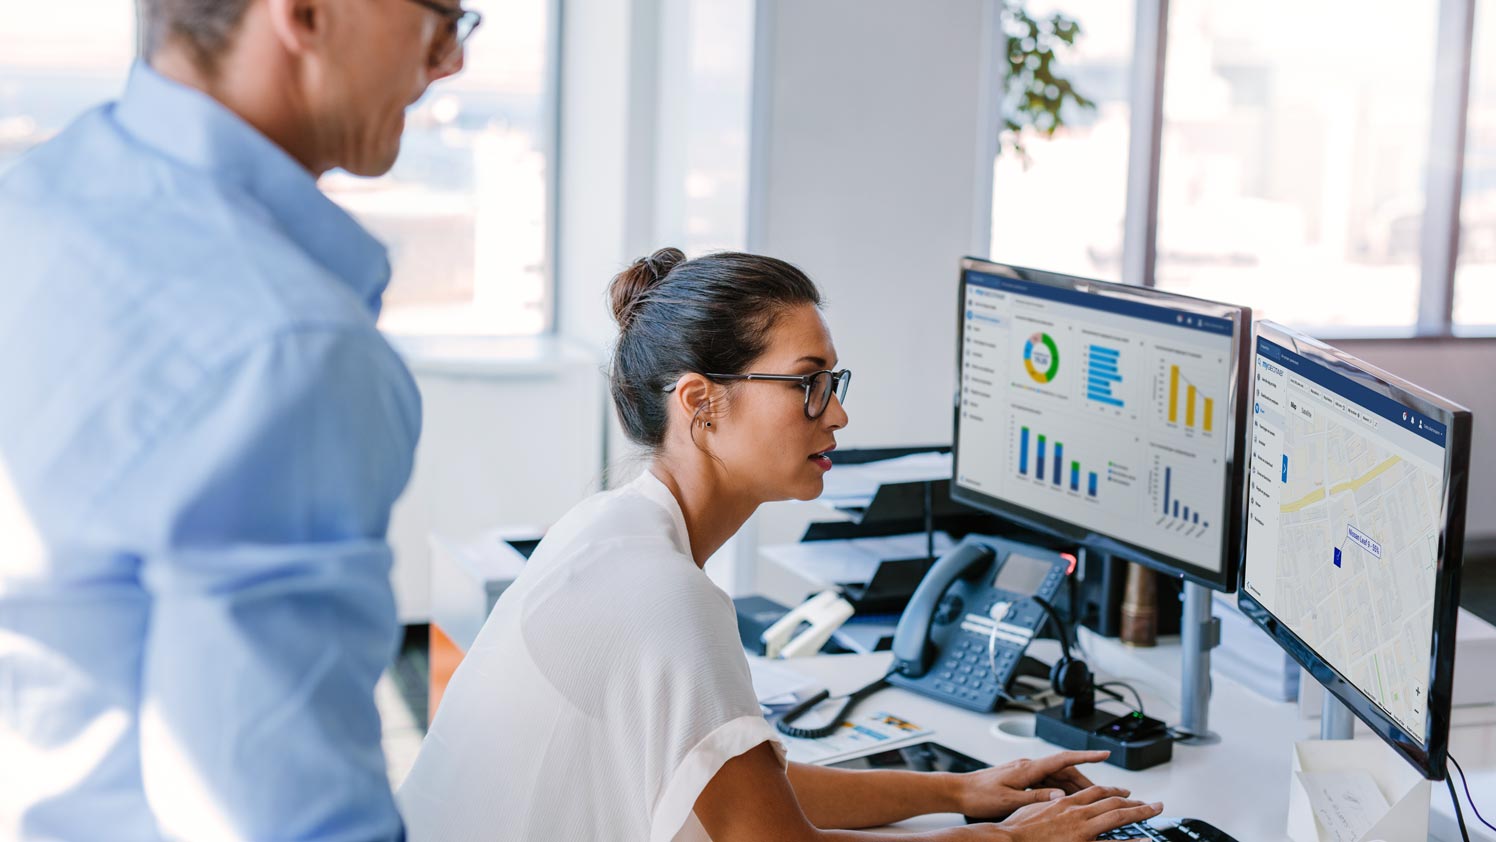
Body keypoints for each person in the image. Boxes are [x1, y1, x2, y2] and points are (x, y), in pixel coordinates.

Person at [396, 248, 1165, 841]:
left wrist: (964, 793)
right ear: (701, 403)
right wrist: (1008, 841)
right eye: (808, 383)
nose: (836, 417)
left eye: (835, 382)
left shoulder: (610, 528)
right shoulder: (661, 595)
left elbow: (749, 789)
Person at [0, 0, 479, 838]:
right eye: (438, 18)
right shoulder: (288, 346)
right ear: (305, 14)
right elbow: (285, 820)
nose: (450, 63)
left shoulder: (37, 198)